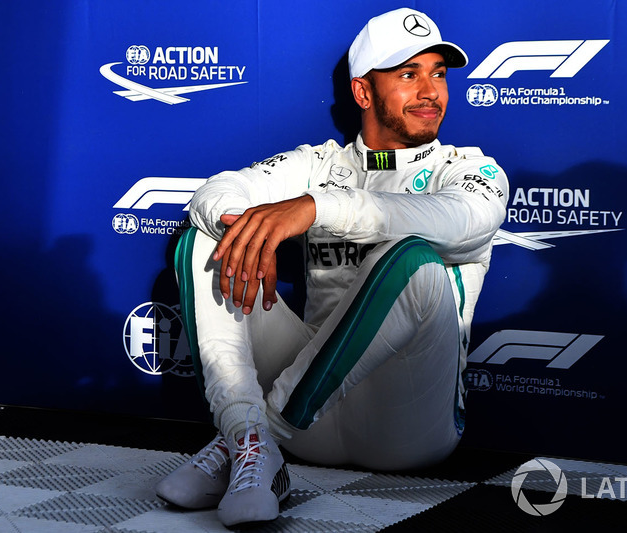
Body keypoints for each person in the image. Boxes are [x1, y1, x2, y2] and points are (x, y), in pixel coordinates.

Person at [155, 7, 509, 527]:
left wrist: (316, 209)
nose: (431, 90)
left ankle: (257, 436)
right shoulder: (321, 164)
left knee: (409, 257)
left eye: (438, 73)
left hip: (406, 424)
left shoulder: (469, 169)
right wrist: (244, 228)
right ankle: (249, 439)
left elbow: (459, 220)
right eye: (409, 75)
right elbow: (215, 192)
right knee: (204, 240)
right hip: (312, 421)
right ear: (364, 93)